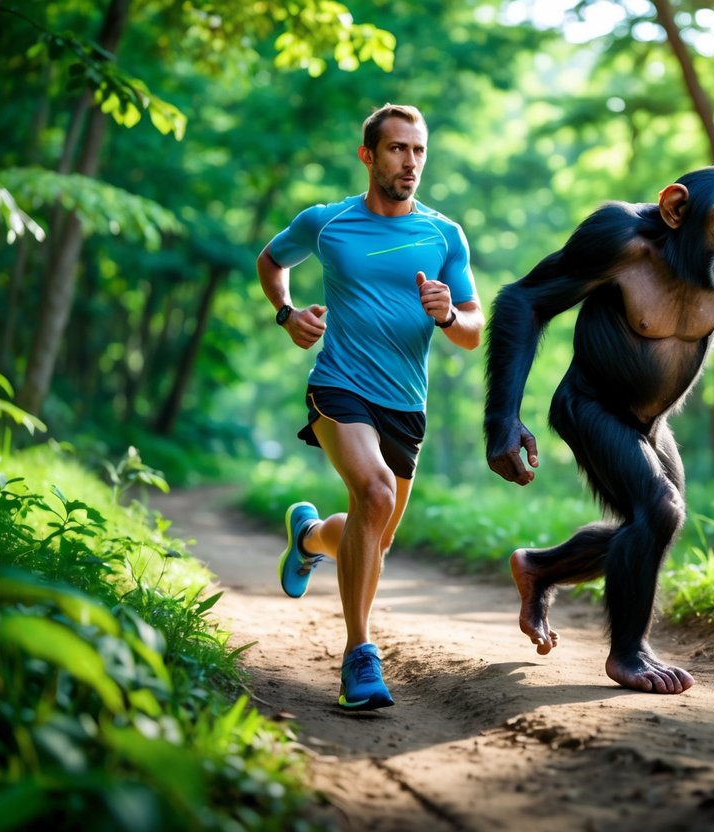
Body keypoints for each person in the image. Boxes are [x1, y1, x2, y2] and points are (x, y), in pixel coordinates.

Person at [256, 104, 484, 711]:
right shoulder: (327, 224)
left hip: (405, 404)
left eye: (419, 151)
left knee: (371, 542)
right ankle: (360, 655)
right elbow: (271, 261)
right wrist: (287, 313)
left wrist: (448, 314)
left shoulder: (444, 234)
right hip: (339, 386)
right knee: (376, 495)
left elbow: (473, 328)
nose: (410, 162)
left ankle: (308, 536)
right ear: (368, 155)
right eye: (397, 150)